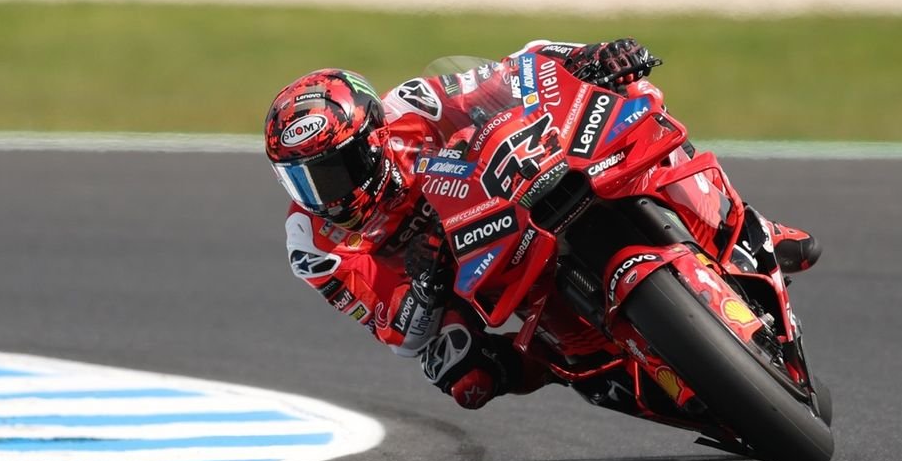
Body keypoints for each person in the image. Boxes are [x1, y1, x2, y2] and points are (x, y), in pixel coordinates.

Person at [262, 38, 822, 410]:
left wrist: (587, 58)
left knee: (634, 104)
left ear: (374, 139)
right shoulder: (312, 244)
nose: (326, 194)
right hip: (466, 275)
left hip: (509, 196)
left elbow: (512, 71)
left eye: (336, 171)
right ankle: (592, 369)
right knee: (460, 370)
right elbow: (400, 334)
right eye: (306, 180)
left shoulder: (412, 108)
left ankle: (749, 225)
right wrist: (428, 279)